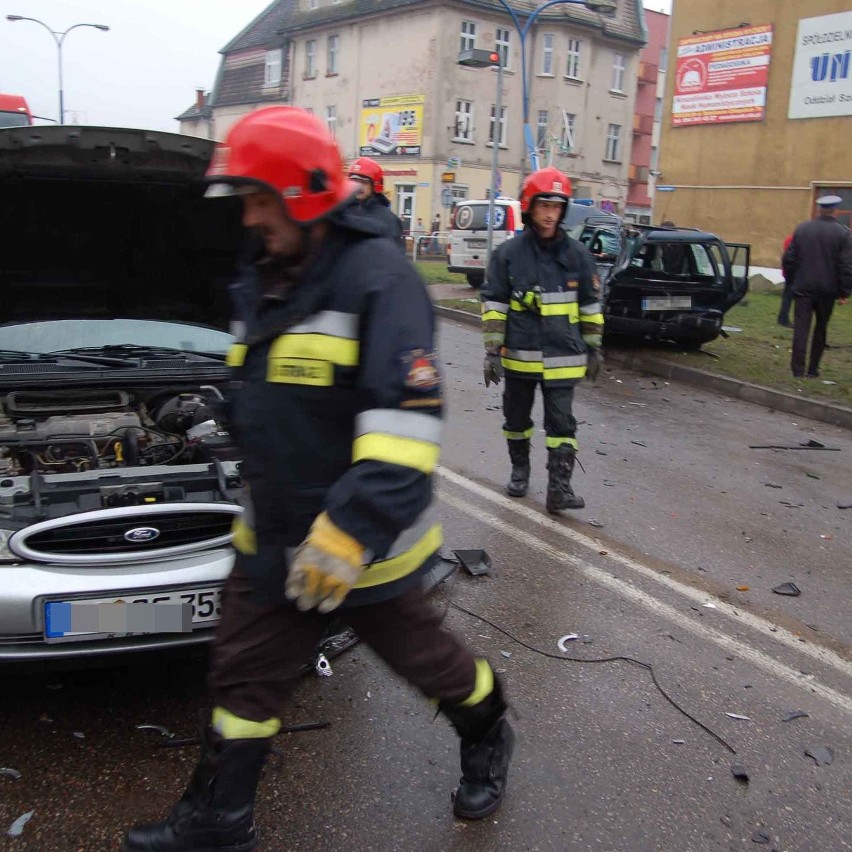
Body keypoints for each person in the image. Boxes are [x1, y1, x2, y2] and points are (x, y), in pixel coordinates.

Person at [122, 107, 514, 852]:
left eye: (257, 198)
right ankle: (219, 820)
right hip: (273, 536)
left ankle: (489, 730)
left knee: (434, 668)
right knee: (242, 674)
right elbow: (268, 387)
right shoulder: (264, 274)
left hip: (360, 548)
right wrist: (216, 410)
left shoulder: (381, 282)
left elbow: (406, 428)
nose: (249, 216)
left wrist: (346, 534)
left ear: (300, 193)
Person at [480, 166, 604, 513]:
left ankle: (559, 489)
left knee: (562, 425)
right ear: (529, 206)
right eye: (544, 205)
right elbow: (494, 305)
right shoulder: (508, 254)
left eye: (556, 206)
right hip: (520, 357)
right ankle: (520, 470)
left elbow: (591, 306)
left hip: (564, 357)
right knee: (516, 420)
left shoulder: (578, 256)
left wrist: (594, 347)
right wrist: (492, 352)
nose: (550, 214)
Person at [782, 194, 852, 379]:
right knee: (821, 329)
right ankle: (813, 369)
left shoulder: (802, 229)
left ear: (820, 210)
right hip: (827, 291)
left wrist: (791, 282)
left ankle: (798, 370)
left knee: (801, 329)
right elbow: (846, 265)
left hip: (803, 288)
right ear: (835, 211)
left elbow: (788, 258)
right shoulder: (843, 233)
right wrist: (844, 291)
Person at [347, 155, 403, 242]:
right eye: (354, 181)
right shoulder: (345, 212)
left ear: (375, 185)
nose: (358, 186)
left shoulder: (388, 219)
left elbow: (393, 252)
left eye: (364, 182)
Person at [777, 233, 794, 327]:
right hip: (792, 273)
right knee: (788, 296)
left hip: (788, 272)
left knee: (787, 296)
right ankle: (783, 318)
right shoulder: (794, 240)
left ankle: (782, 318)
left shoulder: (789, 239)